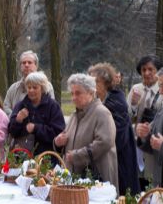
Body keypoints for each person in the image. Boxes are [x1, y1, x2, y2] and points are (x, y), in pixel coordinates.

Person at [54, 73, 119, 192]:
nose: (73, 97)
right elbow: (68, 139)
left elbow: (104, 142)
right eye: (72, 93)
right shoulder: (74, 116)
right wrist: (58, 142)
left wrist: (78, 155)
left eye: (78, 93)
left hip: (97, 178)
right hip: (76, 178)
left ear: (91, 92)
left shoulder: (102, 113)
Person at [88, 63, 139, 195]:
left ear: (106, 82)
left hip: (119, 160)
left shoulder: (116, 101)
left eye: (95, 81)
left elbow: (117, 137)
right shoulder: (98, 100)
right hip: (105, 158)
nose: (92, 85)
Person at [127, 55, 163, 189]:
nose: (146, 73)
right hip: (138, 144)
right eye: (143, 70)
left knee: (151, 180)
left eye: (150, 69)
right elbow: (128, 118)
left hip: (154, 147)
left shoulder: (161, 92)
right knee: (137, 182)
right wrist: (134, 105)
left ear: (158, 71)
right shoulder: (136, 89)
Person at [9, 72, 65, 156]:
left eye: (35, 87)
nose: (31, 90)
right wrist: (18, 120)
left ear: (42, 88)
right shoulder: (20, 105)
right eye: (29, 87)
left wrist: (36, 128)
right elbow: (12, 132)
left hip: (46, 157)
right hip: (22, 156)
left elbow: (58, 132)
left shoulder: (52, 106)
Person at [4, 50, 55, 116]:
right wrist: (17, 118)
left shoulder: (46, 85)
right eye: (24, 63)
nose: (26, 65)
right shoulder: (13, 88)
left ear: (36, 66)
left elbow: (51, 109)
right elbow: (6, 107)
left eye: (29, 62)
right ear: (20, 66)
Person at [136, 67, 163, 186]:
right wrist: (144, 134)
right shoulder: (161, 110)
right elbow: (151, 142)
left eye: (162, 86)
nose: (160, 91)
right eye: (160, 86)